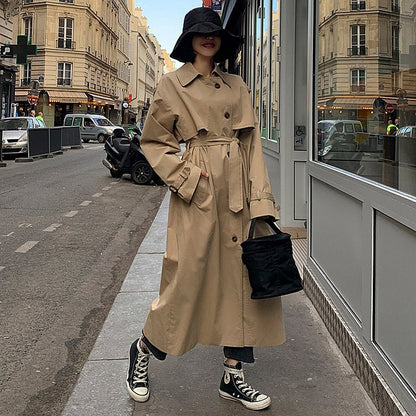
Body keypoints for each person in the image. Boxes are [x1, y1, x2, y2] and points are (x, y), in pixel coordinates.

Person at [126, 7, 284, 411]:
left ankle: (234, 376)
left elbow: (251, 146)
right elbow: (154, 142)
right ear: (189, 40)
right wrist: (190, 180)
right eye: (200, 33)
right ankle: (143, 351)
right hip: (199, 194)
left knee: (243, 286)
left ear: (222, 40)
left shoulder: (237, 85)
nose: (208, 38)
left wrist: (261, 202)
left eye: (214, 32)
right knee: (185, 282)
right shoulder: (171, 84)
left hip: (240, 195)